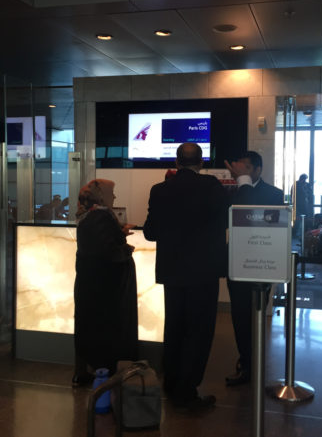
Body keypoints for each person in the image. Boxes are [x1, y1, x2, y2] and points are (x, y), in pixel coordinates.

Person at [143, 143, 228, 412]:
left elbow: (150, 233)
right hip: (203, 272)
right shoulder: (212, 187)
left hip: (172, 272)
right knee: (198, 331)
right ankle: (187, 391)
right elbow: (226, 220)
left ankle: (172, 381)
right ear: (200, 162)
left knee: (175, 327)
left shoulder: (160, 190)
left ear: (177, 162)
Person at [223, 151, 284, 386]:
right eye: (239, 168)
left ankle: (254, 361)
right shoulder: (231, 190)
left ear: (258, 170)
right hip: (236, 262)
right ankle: (245, 361)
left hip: (262, 264)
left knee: (257, 316)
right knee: (239, 316)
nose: (241, 173)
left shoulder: (274, 194)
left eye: (246, 168)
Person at [73, 179, 138, 387]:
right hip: (104, 289)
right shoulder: (101, 216)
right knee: (104, 331)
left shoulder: (88, 215)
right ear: (102, 195)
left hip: (90, 284)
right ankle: (104, 371)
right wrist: (126, 247)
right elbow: (107, 253)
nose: (114, 197)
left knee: (87, 327)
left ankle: (84, 370)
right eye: (112, 192)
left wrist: (119, 233)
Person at [291, 173, 313, 237]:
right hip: (297, 205)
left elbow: (310, 194)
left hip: (305, 205)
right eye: (304, 179)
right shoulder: (296, 184)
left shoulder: (307, 185)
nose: (304, 181)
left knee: (306, 220)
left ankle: (305, 233)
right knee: (296, 221)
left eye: (305, 179)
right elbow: (292, 194)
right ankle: (294, 233)